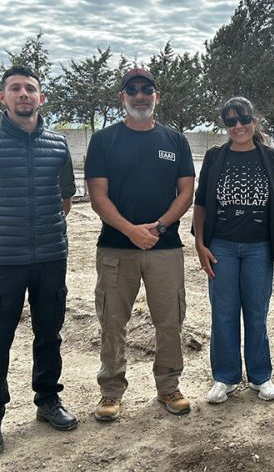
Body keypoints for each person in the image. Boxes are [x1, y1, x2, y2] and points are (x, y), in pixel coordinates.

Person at [0, 66, 78, 455]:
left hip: (50, 257)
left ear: (41, 98)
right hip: (2, 261)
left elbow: (65, 201)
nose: (23, 94)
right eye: (15, 88)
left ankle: (48, 401)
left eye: (30, 88)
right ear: (3, 98)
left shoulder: (58, 145)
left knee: (50, 333)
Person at [85, 68, 195, 421]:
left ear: (156, 96)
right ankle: (111, 392)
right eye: (132, 90)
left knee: (169, 321)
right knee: (112, 321)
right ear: (123, 98)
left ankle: (168, 387)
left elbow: (186, 192)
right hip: (116, 248)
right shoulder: (103, 141)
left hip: (165, 248)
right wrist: (130, 230)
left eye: (146, 89)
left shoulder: (175, 141)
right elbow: (97, 196)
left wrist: (160, 227)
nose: (140, 95)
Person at [193, 97, 274, 404]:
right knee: (223, 313)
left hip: (260, 247)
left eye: (243, 119)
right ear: (226, 126)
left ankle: (260, 376)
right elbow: (201, 202)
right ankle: (225, 377)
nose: (238, 126)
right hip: (222, 247)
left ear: (254, 121)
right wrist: (199, 243)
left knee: (257, 313)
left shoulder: (270, 158)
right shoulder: (215, 157)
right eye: (231, 121)